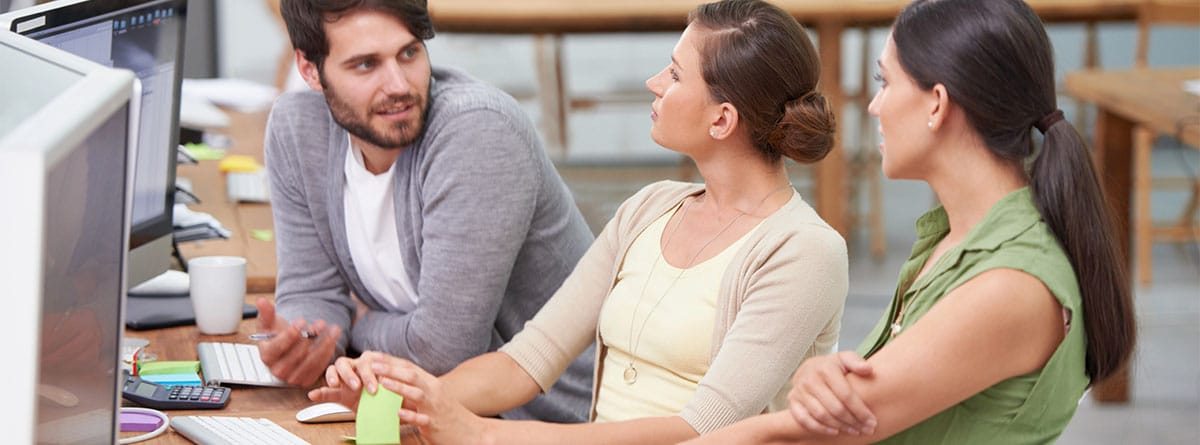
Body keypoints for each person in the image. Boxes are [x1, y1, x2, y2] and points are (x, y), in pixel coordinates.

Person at [306, 0, 849, 443]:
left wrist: (484, 437)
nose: (653, 82)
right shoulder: (650, 207)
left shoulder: (805, 252)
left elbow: (701, 427)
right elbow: (526, 361)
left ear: (722, 119)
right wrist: (409, 397)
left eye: (676, 74)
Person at [686, 0, 1138, 443]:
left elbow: (804, 436)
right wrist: (814, 374)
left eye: (885, 82)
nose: (874, 106)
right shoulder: (952, 240)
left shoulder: (1009, 285)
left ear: (937, 104)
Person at [254, 0, 596, 423]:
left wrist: (356, 321)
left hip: (545, 420)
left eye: (409, 53)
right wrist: (307, 340)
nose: (399, 84)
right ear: (309, 69)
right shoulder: (297, 130)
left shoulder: (477, 131)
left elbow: (443, 350)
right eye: (365, 65)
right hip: (430, 410)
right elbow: (312, 292)